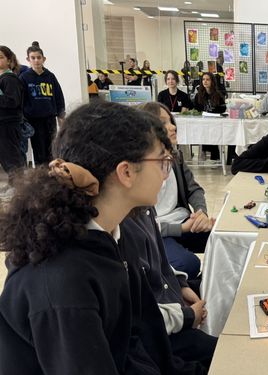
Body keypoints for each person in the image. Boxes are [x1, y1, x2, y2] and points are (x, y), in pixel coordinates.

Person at [0, 101, 204, 374]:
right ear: (126, 172)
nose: (166, 175)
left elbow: (138, 342)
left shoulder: (117, 236)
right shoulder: (62, 283)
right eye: (162, 161)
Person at [123, 206, 216, 370]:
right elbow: (138, 317)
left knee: (214, 284)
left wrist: (180, 284)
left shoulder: (144, 211)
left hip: (166, 310)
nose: (166, 178)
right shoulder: (121, 230)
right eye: (161, 176)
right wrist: (186, 316)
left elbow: (159, 263)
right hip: (156, 334)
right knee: (223, 353)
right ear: (126, 178)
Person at [140, 102, 214, 280]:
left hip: (182, 220)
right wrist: (180, 228)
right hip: (157, 230)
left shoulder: (175, 156)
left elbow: (194, 189)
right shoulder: (140, 168)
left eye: (171, 121)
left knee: (225, 237)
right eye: (163, 123)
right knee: (188, 264)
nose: (173, 127)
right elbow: (140, 225)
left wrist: (200, 213)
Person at [20, 41, 65, 166]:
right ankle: (41, 176)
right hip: (34, 120)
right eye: (33, 58)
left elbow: (58, 97)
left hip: (49, 118)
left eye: (38, 58)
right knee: (39, 149)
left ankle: (52, 172)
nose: (36, 60)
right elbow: (21, 100)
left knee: (51, 148)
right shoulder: (24, 77)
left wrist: (61, 115)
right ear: (28, 59)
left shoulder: (50, 76)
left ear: (43, 59)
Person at [0, 45, 26, 200]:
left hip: (8, 124)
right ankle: (13, 184)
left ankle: (20, 189)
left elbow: (12, 101)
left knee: (12, 158)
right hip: (3, 124)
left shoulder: (10, 79)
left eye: (1, 57)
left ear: (9, 61)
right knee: (6, 157)